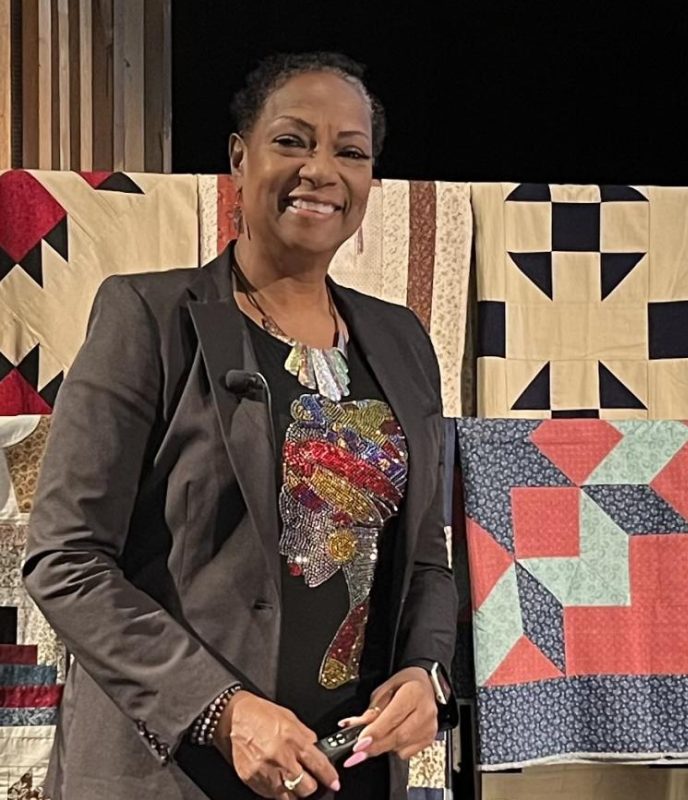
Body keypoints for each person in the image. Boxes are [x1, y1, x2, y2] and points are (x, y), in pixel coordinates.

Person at [22, 52, 457, 799]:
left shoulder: (402, 342)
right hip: (171, 772)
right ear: (239, 158)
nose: (321, 169)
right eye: (293, 141)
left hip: (341, 774)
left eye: (350, 152)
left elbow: (424, 559)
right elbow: (66, 561)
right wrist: (222, 711)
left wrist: (426, 673)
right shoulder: (150, 320)